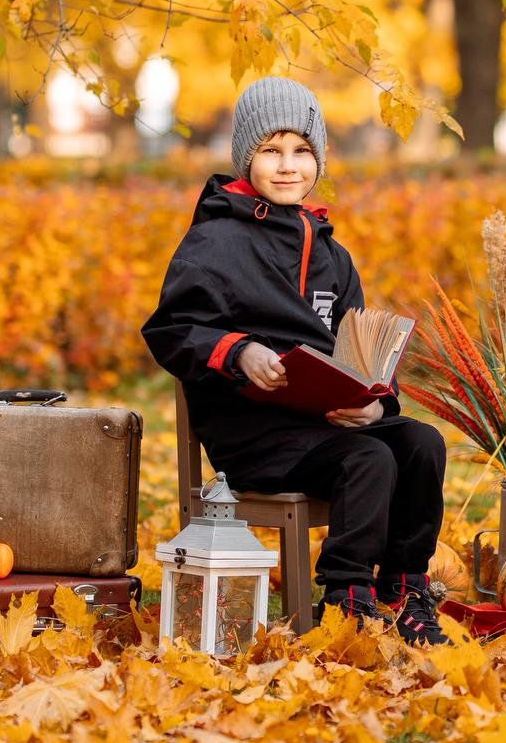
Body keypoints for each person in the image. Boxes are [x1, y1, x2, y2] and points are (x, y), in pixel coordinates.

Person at [142, 77, 448, 644]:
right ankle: (346, 600)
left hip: (324, 424)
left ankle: (405, 591)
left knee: (420, 443)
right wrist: (239, 351)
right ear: (246, 156)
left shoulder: (332, 255)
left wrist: (376, 404)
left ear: (319, 159)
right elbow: (173, 330)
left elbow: (360, 351)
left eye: (302, 150)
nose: (288, 166)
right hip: (254, 434)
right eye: (271, 150)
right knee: (368, 460)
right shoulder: (214, 242)